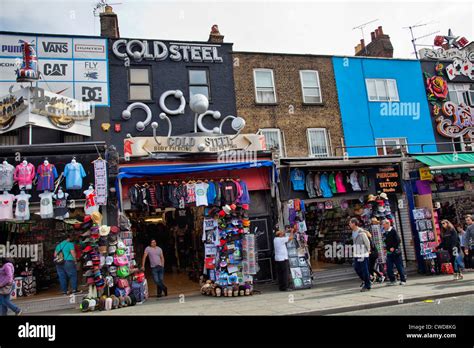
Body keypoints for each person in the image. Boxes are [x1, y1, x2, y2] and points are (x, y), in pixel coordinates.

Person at [349, 218, 371, 292]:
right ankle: (366, 280)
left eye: (350, 223)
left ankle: (367, 285)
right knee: (357, 268)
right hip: (357, 254)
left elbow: (367, 242)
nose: (349, 224)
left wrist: (368, 250)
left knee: (364, 270)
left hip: (363, 254)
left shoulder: (361, 232)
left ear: (354, 224)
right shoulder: (353, 232)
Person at [382, 219, 406, 286]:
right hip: (389, 253)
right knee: (389, 267)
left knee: (399, 266)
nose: (383, 226)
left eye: (384, 224)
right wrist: (386, 249)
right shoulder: (385, 232)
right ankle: (393, 280)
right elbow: (386, 242)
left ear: (388, 224)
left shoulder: (393, 231)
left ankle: (403, 280)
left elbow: (398, 240)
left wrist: (394, 247)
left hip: (396, 252)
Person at [273, 226, 295, 291]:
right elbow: (291, 238)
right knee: (285, 274)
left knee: (280, 274)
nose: (283, 234)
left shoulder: (275, 239)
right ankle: (285, 287)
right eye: (282, 234)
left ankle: (281, 287)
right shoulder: (281, 240)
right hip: (283, 259)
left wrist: (286, 230)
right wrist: (291, 231)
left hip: (278, 259)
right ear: (280, 235)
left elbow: (282, 234)